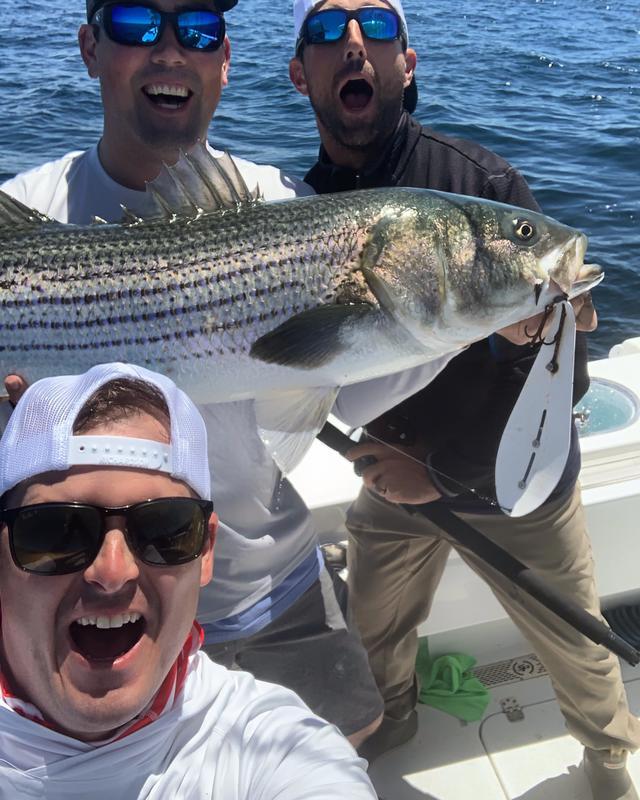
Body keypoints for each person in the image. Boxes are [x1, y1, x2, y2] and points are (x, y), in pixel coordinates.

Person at [1, 0, 467, 748]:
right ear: (88, 47)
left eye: (199, 30)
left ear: (224, 61)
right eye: (135, 23)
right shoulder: (21, 218)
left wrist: (451, 322)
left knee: (349, 737)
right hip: (92, 603)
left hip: (269, 586)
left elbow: (341, 386)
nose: (170, 50)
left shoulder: (285, 210)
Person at [289, 1, 640, 797]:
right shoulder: (298, 208)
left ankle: (610, 756)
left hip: (515, 480)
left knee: (573, 643)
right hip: (388, 473)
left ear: (407, 65)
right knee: (374, 629)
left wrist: (441, 477)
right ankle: (395, 720)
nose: (353, 45)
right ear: (298, 74)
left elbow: (562, 373)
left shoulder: (479, 189)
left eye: (377, 29)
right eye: (327, 32)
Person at [0, 362, 377, 798]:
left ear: (206, 552)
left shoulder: (280, 749)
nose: (112, 571)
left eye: (166, 530)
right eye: (55, 530)